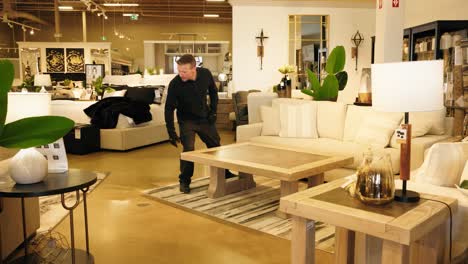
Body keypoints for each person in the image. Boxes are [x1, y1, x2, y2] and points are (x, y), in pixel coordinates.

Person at [165, 54, 231, 194]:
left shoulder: (205, 74)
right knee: (189, 150)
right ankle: (184, 181)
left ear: (194, 68)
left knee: (215, 145)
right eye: (179, 70)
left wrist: (213, 112)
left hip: (204, 118)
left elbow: (213, 92)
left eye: (184, 71)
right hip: (186, 120)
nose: (180, 74)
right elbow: (169, 108)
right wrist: (171, 132)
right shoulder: (175, 84)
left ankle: (224, 172)